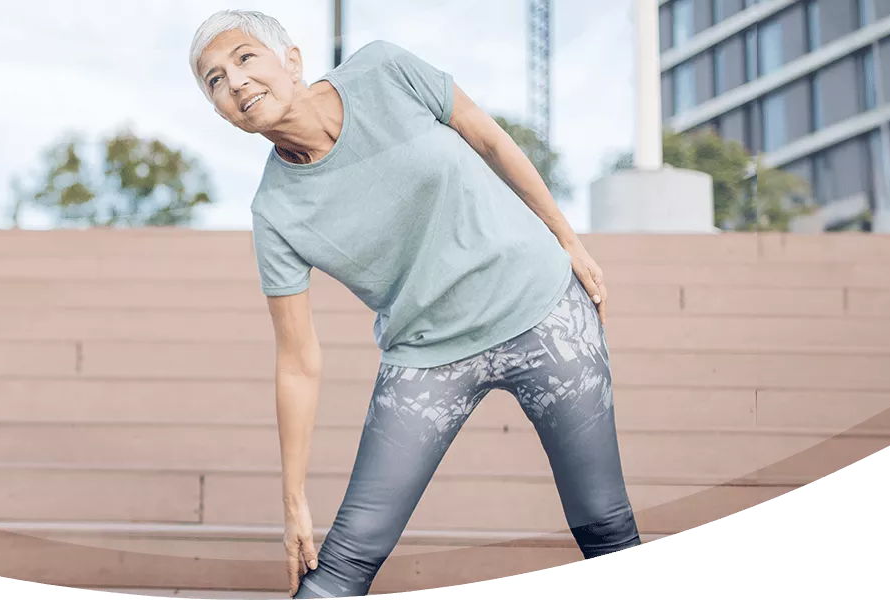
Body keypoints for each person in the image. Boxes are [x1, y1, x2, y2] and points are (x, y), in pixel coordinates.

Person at [186, 9, 642, 599]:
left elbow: (489, 138)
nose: (236, 81)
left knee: (605, 523)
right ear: (221, 111)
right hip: (428, 357)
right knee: (341, 568)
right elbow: (297, 360)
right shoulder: (274, 213)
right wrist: (293, 501)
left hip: (545, 312)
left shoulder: (383, 69)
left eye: (245, 58)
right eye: (215, 80)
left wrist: (568, 238)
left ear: (290, 61)